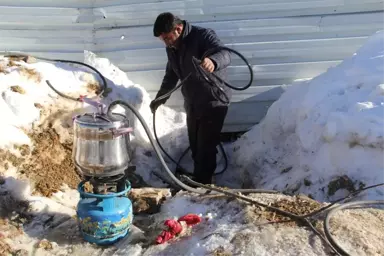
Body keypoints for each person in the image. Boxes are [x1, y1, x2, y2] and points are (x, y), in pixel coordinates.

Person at [149, 12, 232, 184]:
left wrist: (213, 61)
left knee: (206, 146)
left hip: (213, 100)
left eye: (166, 38)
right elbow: (171, 75)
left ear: (178, 29)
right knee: (195, 144)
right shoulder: (172, 48)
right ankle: (200, 179)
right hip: (193, 102)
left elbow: (225, 54)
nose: (165, 42)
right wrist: (160, 99)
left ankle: (204, 184)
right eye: (163, 39)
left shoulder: (202, 36)